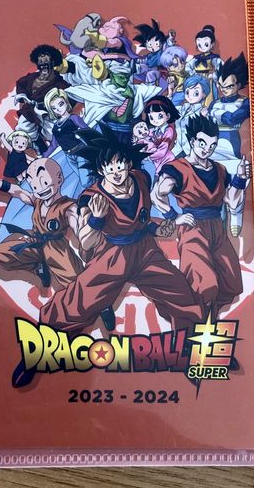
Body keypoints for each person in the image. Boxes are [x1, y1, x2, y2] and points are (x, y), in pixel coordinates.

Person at [40, 124, 204, 334]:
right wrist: (97, 219)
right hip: (113, 255)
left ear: (128, 164)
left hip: (146, 251)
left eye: (120, 166)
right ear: (101, 170)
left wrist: (161, 227)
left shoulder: (141, 179)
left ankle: (191, 339)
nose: (116, 173)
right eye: (110, 168)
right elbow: (87, 242)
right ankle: (47, 333)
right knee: (79, 302)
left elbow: (143, 220)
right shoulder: (92, 198)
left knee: (180, 293)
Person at [151, 115, 251, 317]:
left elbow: (231, 201)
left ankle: (207, 319)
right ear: (192, 141)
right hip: (192, 228)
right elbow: (156, 195)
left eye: (212, 145)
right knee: (203, 283)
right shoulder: (178, 168)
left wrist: (240, 179)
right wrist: (173, 216)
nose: (207, 149)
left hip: (217, 228)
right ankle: (194, 322)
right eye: (202, 143)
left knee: (230, 283)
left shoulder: (220, 169)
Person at [0, 158, 82, 291]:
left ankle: (102, 305)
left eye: (45, 182)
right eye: (35, 187)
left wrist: (84, 235)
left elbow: (77, 224)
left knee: (76, 282)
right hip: (34, 243)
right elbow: (19, 192)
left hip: (56, 249)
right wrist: (2, 185)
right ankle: (39, 267)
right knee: (0, 253)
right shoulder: (38, 201)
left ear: (59, 179)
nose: (41, 189)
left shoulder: (68, 206)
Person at [210, 53, 250, 236]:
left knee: (235, 179)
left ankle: (236, 212)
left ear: (239, 85)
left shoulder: (245, 102)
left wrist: (218, 114)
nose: (224, 89)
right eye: (221, 86)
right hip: (213, 145)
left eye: (229, 86)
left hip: (232, 145)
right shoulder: (215, 103)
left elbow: (233, 118)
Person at [14, 44, 69, 153]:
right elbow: (20, 84)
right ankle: (40, 150)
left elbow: (67, 99)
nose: (43, 65)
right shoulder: (31, 78)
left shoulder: (59, 83)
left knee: (52, 134)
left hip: (49, 114)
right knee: (24, 128)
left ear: (53, 63)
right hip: (29, 112)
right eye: (40, 62)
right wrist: (23, 97)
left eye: (46, 62)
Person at [42, 87, 91, 194]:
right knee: (85, 179)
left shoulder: (73, 118)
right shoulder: (55, 127)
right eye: (54, 108)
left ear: (66, 102)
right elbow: (54, 145)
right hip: (69, 156)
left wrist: (93, 143)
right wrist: (43, 156)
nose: (58, 109)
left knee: (85, 181)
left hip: (80, 151)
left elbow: (86, 130)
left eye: (61, 104)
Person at [174, 75, 211, 157]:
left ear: (204, 94)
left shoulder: (203, 113)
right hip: (177, 149)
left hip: (193, 151)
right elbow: (168, 108)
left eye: (196, 93)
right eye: (187, 92)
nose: (190, 96)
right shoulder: (182, 109)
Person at [143, 96, 178, 174]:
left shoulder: (168, 131)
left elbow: (163, 150)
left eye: (160, 116)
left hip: (163, 158)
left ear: (168, 116)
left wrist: (148, 156)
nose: (155, 121)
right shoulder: (153, 130)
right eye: (151, 118)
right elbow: (146, 138)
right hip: (153, 156)